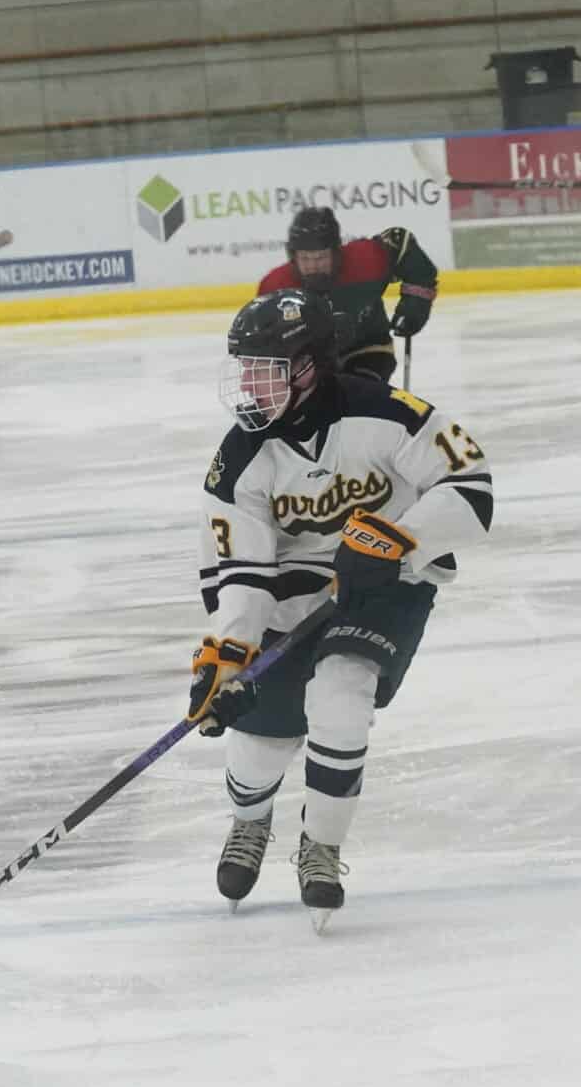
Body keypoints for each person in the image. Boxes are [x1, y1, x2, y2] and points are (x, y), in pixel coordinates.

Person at [189, 290, 495, 926]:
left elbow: (470, 487)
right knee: (260, 743)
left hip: (386, 585)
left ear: (308, 368)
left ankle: (321, 846)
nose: (249, 387)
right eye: (245, 371)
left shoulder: (388, 414)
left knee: (341, 694)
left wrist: (399, 538)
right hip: (291, 595)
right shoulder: (240, 459)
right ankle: (249, 821)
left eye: (265, 371)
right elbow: (243, 571)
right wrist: (229, 654)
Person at [253, 205, 439, 383]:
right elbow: (263, 343)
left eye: (321, 257)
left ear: (336, 252)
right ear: (293, 256)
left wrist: (416, 303)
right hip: (310, 361)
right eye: (305, 258)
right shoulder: (276, 288)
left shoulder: (364, 260)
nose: (313, 266)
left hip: (369, 346)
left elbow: (401, 244)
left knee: (359, 392)